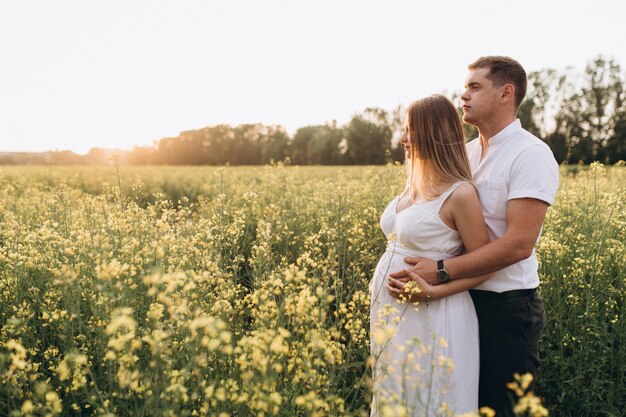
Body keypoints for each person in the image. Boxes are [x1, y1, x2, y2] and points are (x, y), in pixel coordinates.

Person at [388, 56, 560, 416]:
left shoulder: (530, 154)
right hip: (457, 304)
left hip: (506, 307)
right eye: (465, 87)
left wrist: (441, 270)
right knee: (456, 403)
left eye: (475, 87)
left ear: (505, 93)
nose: (463, 96)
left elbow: (518, 244)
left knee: (503, 408)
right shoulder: (464, 154)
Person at [369, 94, 493, 416]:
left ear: (433, 133)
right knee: (396, 395)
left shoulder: (460, 193)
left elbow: (485, 265)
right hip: (394, 315)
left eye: (410, 129)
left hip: (434, 314)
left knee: (431, 396)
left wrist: (433, 291)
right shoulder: (413, 185)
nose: (403, 138)